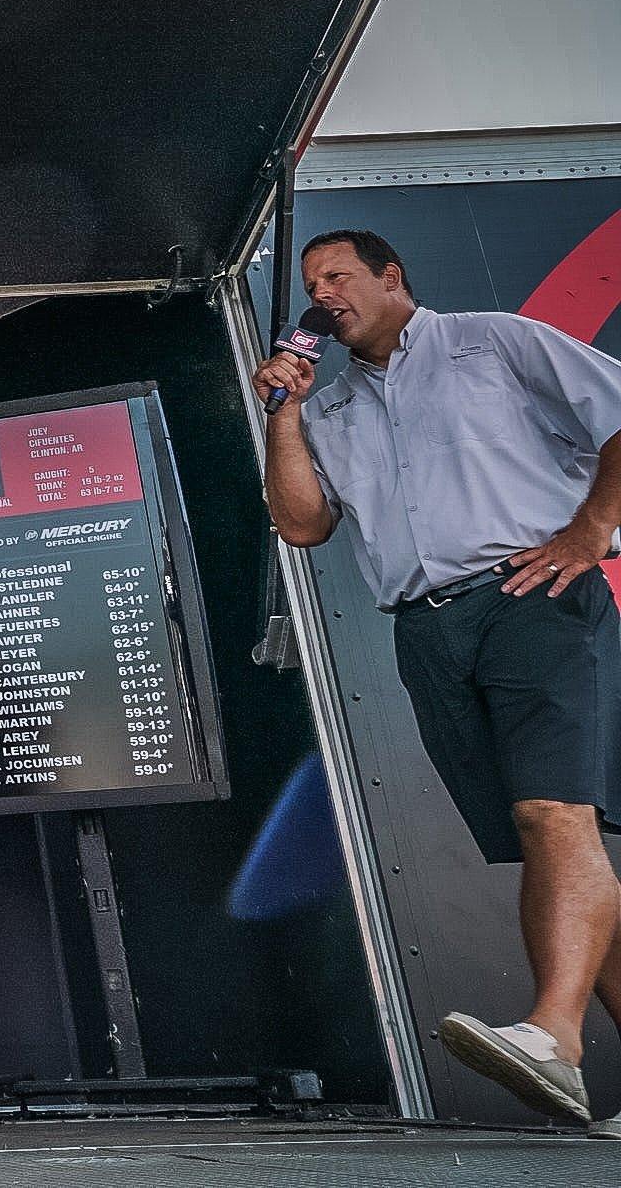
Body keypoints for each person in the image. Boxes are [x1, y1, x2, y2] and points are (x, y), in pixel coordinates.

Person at [254, 228, 621, 1132]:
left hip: (533, 599)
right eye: (311, 283)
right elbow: (302, 525)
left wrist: (589, 532)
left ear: (391, 275)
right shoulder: (330, 410)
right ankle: (563, 1035)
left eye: (339, 274)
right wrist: (284, 413)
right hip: (426, 632)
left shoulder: (492, 341)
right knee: (548, 839)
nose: (324, 292)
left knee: (554, 814)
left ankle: (554, 1038)